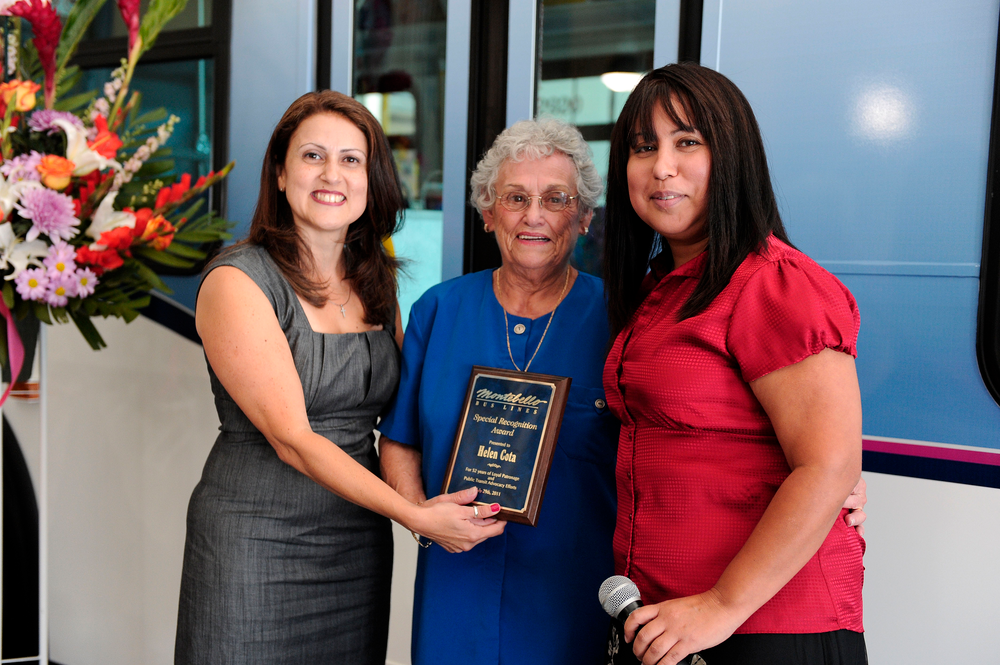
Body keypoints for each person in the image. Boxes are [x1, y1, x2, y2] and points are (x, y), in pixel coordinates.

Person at [174, 91, 503, 665]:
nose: (333, 175)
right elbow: (293, 439)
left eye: (351, 160)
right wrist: (415, 515)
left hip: (356, 539)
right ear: (280, 174)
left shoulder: (376, 281)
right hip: (254, 536)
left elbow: (409, 409)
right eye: (313, 156)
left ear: (371, 181)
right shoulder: (237, 280)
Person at [602, 63, 868, 665]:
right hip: (667, 621)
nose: (661, 167)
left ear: (733, 155)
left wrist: (721, 605)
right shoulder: (660, 287)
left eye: (687, 142)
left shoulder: (775, 282)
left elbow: (829, 465)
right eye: (643, 148)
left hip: (765, 627)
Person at [378, 118, 621, 664]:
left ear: (584, 217)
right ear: (488, 214)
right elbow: (399, 440)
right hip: (454, 589)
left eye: (556, 199)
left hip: (572, 599)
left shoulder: (620, 321)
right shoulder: (438, 311)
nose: (534, 216)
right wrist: (421, 516)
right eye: (515, 198)